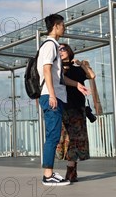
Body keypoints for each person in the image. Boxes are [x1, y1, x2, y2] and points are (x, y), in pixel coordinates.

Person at [37, 14, 90, 186]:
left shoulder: (53, 46)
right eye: (62, 25)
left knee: (53, 135)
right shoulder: (50, 46)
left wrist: (77, 85)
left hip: (56, 95)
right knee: (52, 136)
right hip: (51, 96)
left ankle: (49, 173)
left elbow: (58, 77)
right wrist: (52, 95)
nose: (64, 27)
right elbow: (46, 71)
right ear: (56, 26)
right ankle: (48, 175)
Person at [55, 43, 95, 182]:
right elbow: (61, 80)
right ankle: (70, 171)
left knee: (76, 139)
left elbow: (91, 75)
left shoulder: (77, 69)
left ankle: (71, 171)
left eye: (63, 49)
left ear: (69, 51)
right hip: (64, 107)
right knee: (66, 139)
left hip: (78, 107)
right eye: (58, 49)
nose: (61, 51)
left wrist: (80, 64)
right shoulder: (57, 68)